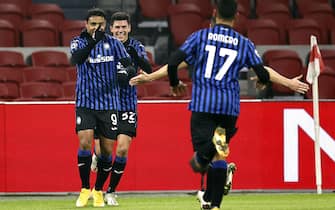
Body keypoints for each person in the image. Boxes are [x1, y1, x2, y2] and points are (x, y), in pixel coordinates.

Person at [130, 0, 309, 209]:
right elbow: (262, 70)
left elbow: (177, 62)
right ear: (237, 17)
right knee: (220, 153)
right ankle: (212, 202)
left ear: (214, 13)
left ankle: (205, 169)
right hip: (228, 109)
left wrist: (152, 78)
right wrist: (288, 82)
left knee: (203, 157)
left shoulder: (200, 38)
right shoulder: (243, 43)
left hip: (204, 106)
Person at [70, 8, 136, 207]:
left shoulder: (114, 44)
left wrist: (124, 74)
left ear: (105, 25)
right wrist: (93, 40)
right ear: (86, 25)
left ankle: (98, 190)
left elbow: (129, 66)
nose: (96, 27)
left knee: (106, 151)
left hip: (109, 104)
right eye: (93, 24)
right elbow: (76, 59)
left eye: (100, 24)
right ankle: (83, 189)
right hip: (85, 102)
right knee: (85, 142)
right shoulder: (78, 42)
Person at [90, 11, 152, 206]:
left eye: (124, 27)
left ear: (129, 28)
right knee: (104, 153)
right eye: (117, 27)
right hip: (106, 104)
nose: (120, 30)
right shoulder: (102, 46)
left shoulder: (136, 46)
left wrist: (135, 59)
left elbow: (148, 69)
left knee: (123, 149)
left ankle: (111, 192)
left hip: (127, 104)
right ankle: (96, 156)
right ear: (111, 29)